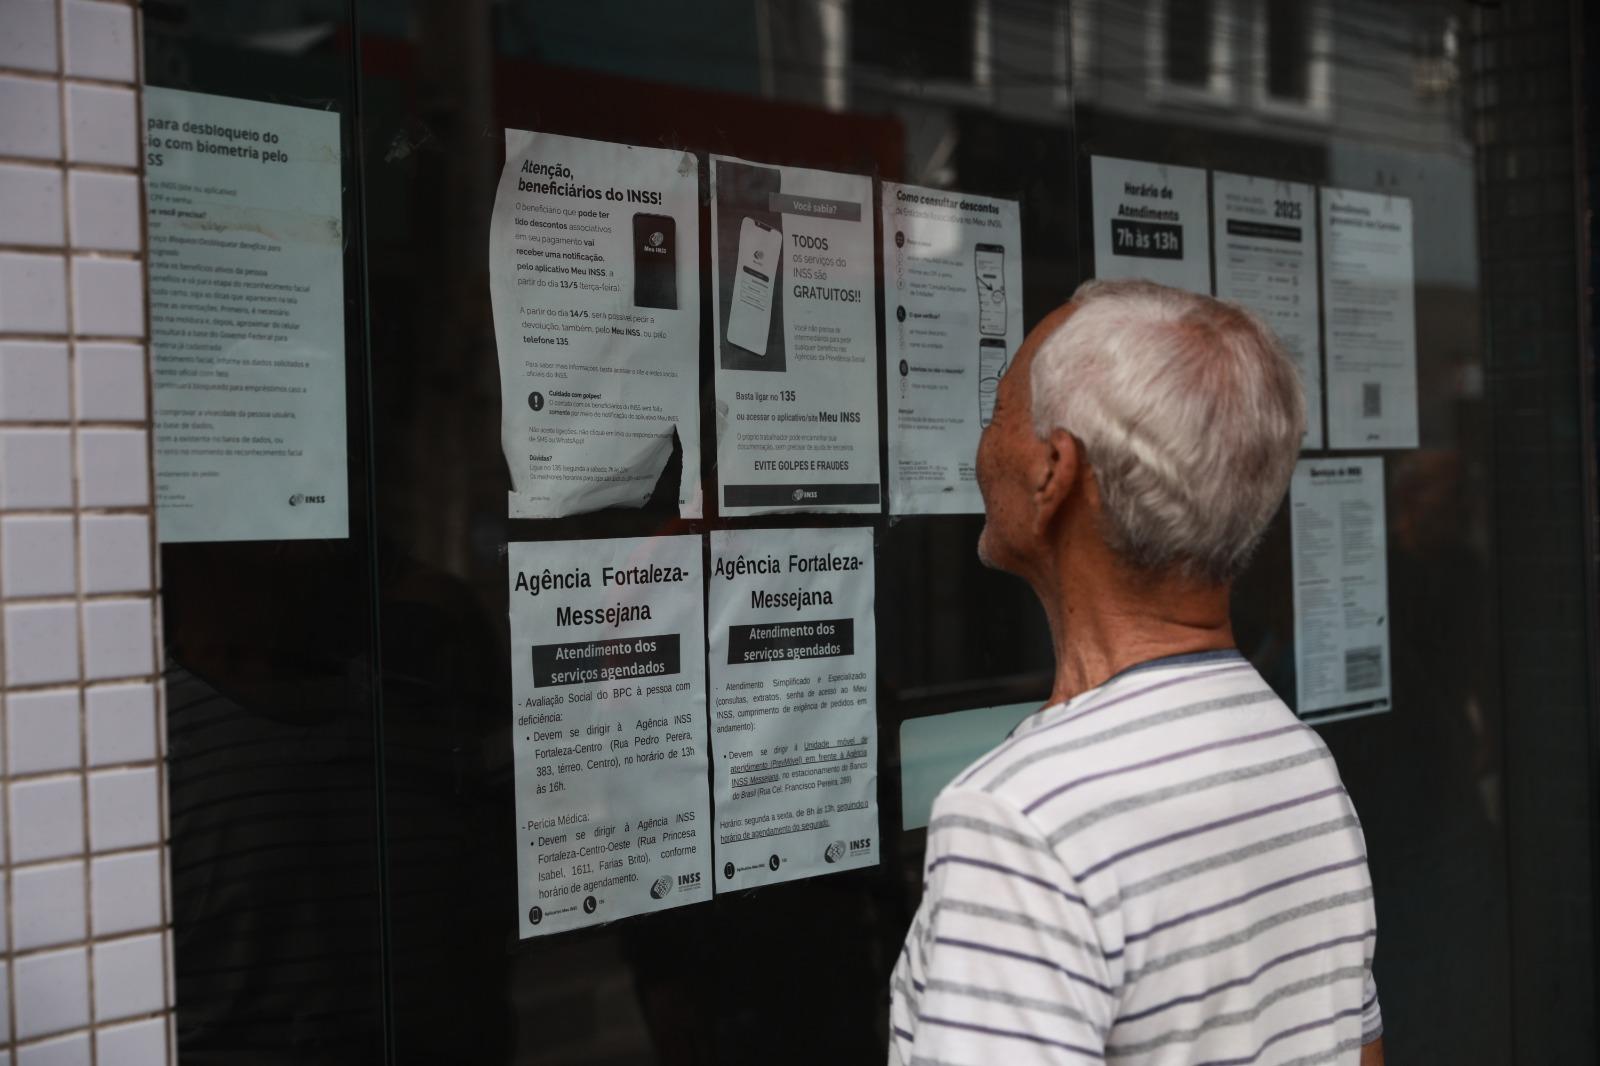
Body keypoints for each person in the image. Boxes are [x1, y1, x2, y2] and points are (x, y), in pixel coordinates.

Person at [889, 279, 1383, 1065]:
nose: (983, 444)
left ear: (1056, 472)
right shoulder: (1304, 769)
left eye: (998, 413)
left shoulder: (1020, 822)